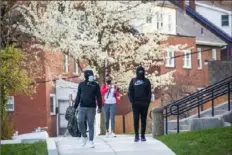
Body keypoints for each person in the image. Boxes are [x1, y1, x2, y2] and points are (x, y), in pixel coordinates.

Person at [74, 70, 102, 148]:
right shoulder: (81, 84)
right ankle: (84, 136)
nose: (92, 76)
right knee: (80, 121)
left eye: (92, 75)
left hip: (92, 107)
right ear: (86, 76)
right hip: (82, 107)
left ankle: (91, 140)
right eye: (90, 75)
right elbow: (78, 96)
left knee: (90, 124)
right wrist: (75, 106)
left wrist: (100, 107)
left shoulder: (96, 85)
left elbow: (99, 97)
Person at [128, 66, 151, 142]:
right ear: (137, 72)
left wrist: (148, 101)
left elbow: (149, 92)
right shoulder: (133, 81)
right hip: (136, 103)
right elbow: (130, 91)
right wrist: (132, 100)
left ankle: (143, 135)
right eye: (139, 71)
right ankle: (136, 135)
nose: (140, 73)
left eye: (142, 71)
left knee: (143, 119)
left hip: (144, 103)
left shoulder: (147, 81)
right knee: (136, 119)